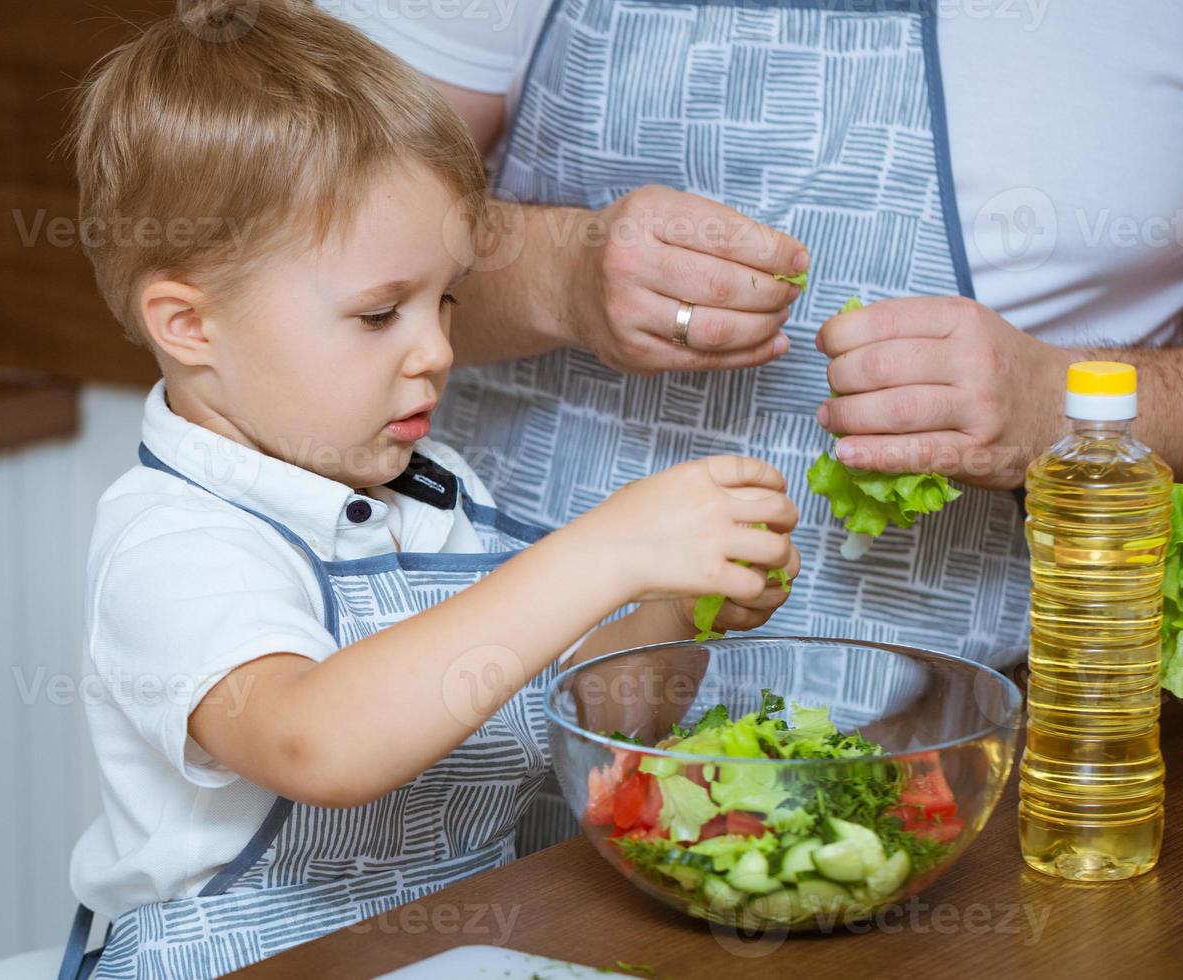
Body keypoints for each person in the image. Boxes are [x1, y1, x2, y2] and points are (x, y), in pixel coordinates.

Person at [57, 2, 800, 976]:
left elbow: (615, 725)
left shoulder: (443, 492)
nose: (440, 349)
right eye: (378, 313)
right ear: (190, 325)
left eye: (444, 298)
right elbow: (318, 739)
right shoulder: (174, 541)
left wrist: (678, 601)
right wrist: (604, 549)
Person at [336, 0, 1183, 680]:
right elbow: (285, 249)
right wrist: (557, 271)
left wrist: (1065, 406)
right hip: (482, 672)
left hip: (1008, 714)